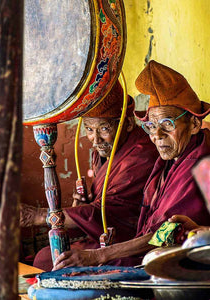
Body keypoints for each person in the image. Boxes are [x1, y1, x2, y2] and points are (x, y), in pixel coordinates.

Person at [52, 60, 210, 271]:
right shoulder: (172, 159)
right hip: (153, 253)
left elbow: (168, 232)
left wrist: (100, 255)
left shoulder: (199, 164)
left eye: (167, 124)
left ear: (194, 124)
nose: (156, 136)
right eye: (151, 126)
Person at [21, 79, 158, 271]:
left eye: (104, 128)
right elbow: (98, 207)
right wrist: (82, 206)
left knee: (52, 260)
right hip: (104, 235)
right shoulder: (104, 150)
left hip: (130, 243)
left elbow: (111, 211)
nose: (95, 139)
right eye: (89, 129)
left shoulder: (142, 154)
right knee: (46, 257)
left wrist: (38, 216)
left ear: (127, 123)